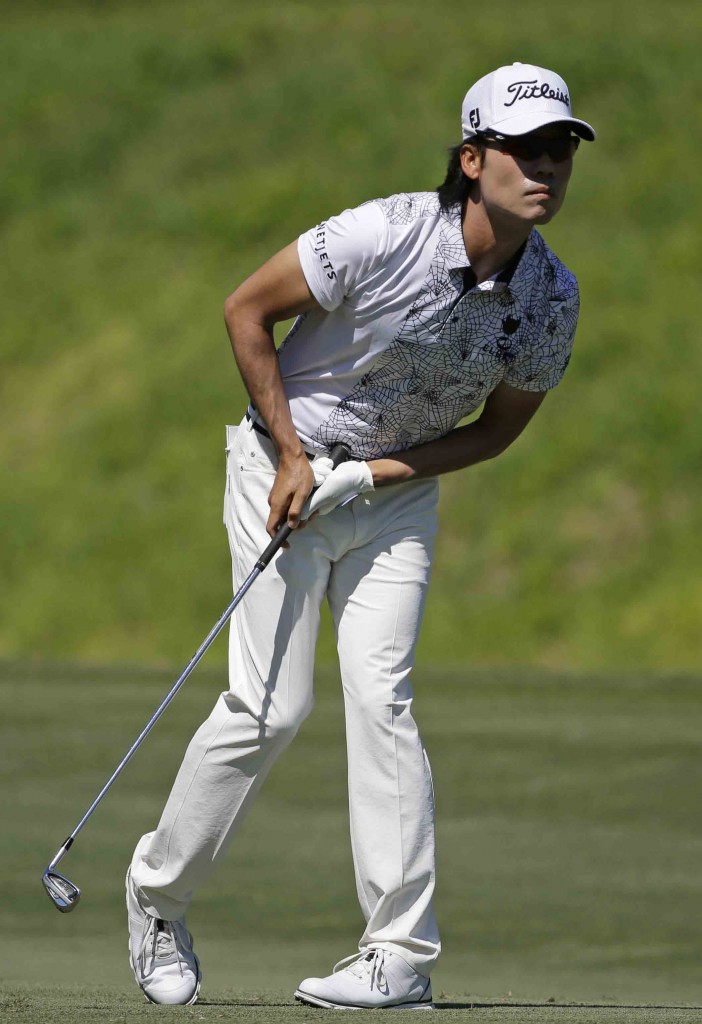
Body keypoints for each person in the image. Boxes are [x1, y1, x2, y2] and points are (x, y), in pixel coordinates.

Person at [125, 61, 595, 1010]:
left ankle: (397, 955)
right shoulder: (381, 234)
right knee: (271, 708)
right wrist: (297, 458)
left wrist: (373, 477)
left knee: (382, 698)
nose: (545, 166)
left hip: (391, 493)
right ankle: (156, 897)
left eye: (560, 150)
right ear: (472, 159)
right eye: (523, 149)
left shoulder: (550, 299)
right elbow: (246, 311)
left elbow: (497, 430)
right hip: (281, 473)